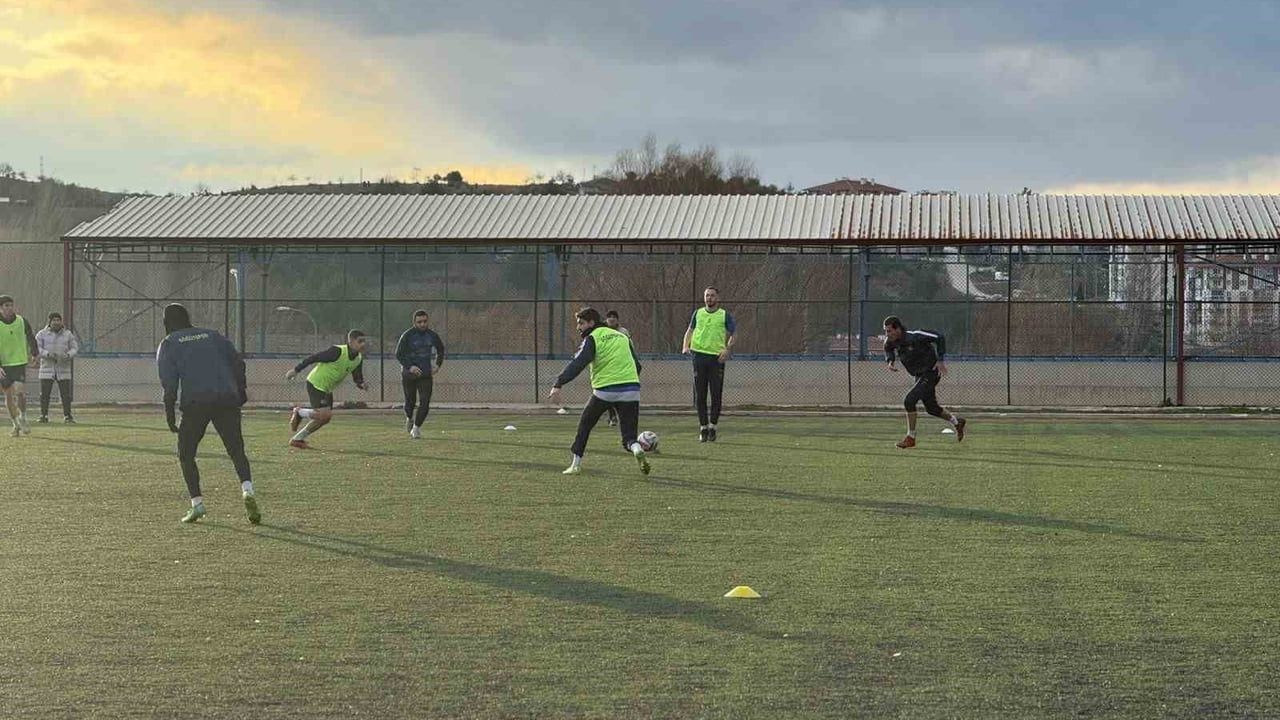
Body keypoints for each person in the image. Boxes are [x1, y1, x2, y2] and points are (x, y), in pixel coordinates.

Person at [155, 303, 259, 524]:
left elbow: (169, 384)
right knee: (236, 450)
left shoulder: (169, 343)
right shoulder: (213, 335)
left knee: (186, 454)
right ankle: (247, 490)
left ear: (166, 322)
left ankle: (197, 504)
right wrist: (241, 391)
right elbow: (238, 363)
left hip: (196, 402)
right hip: (226, 398)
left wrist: (169, 414)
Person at [547, 307, 650, 476]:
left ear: (591, 323)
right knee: (629, 437)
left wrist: (558, 383)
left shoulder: (593, 338)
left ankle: (575, 465)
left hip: (605, 391)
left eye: (581, 323)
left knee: (585, 426)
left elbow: (579, 363)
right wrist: (628, 382)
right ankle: (637, 448)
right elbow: (637, 365)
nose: (578, 327)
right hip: (631, 389)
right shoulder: (622, 336)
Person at [882, 315, 966, 448]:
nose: (887, 334)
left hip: (931, 372)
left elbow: (939, 337)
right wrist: (890, 361)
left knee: (909, 400)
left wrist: (940, 360)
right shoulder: (891, 341)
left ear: (898, 329)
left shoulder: (915, 336)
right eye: (885, 331)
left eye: (889, 331)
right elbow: (888, 349)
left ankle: (911, 437)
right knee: (932, 409)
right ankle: (957, 422)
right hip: (919, 375)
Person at [285, 329, 368, 449]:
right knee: (324, 415)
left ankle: (297, 439)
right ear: (350, 341)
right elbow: (314, 358)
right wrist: (296, 370)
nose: (363, 344)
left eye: (364, 341)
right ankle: (299, 412)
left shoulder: (358, 358)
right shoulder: (337, 351)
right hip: (316, 383)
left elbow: (357, 377)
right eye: (360, 341)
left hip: (327, 388)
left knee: (325, 419)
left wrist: (361, 384)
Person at [681, 286, 736, 442]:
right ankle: (703, 428)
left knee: (716, 394)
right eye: (707, 295)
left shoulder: (724, 315)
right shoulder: (698, 313)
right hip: (699, 356)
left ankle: (713, 427)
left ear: (717, 298)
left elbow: (734, 334)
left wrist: (727, 349)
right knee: (700, 395)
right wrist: (685, 346)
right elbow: (690, 330)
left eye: (712, 295)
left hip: (716, 359)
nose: (709, 298)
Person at [394, 309, 445, 440]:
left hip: (425, 374)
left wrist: (437, 365)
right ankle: (409, 417)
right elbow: (398, 354)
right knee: (410, 402)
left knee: (425, 402)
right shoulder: (407, 335)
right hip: (409, 374)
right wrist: (410, 367)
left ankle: (416, 428)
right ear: (414, 322)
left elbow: (440, 349)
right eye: (419, 322)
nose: (422, 324)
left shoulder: (432, 335)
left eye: (425, 321)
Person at [0, 294, 38, 438]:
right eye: (6, 306)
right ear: (0, 308)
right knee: (8, 396)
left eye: (11, 305)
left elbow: (30, 336)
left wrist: (34, 353)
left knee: (20, 391)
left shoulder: (22, 321)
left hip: (19, 362)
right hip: (3, 365)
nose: (10, 308)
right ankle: (15, 424)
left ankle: (23, 416)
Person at [35, 311, 80, 423]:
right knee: (45, 394)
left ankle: (68, 416)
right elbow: (37, 348)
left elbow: (74, 348)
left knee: (65, 395)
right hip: (47, 368)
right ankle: (43, 415)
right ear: (49, 322)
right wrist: (47, 354)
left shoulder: (68, 334)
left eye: (58, 320)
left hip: (63, 368)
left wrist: (68, 355)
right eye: (54, 320)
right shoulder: (41, 334)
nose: (56, 322)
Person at [603, 310, 631, 427]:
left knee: (619, 393)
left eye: (614, 317)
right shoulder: (602, 331)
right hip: (607, 366)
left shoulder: (623, 332)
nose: (611, 319)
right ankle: (612, 415)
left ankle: (620, 416)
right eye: (609, 317)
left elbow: (630, 346)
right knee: (607, 393)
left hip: (621, 366)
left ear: (617, 319)